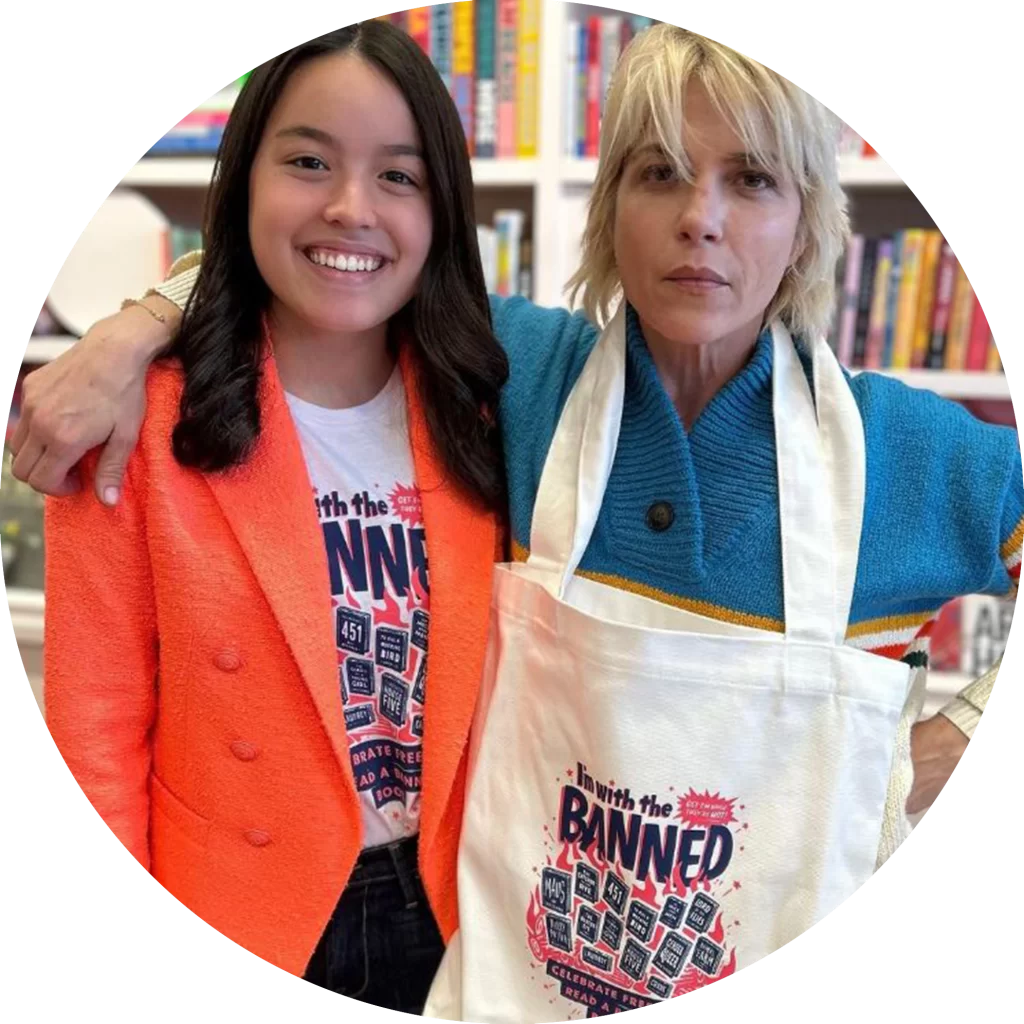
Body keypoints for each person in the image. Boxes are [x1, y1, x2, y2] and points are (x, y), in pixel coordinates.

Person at [16, 23, 1017, 1016]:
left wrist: (937, 746)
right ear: (607, 210)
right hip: (502, 959)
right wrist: (131, 330)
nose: (699, 219)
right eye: (659, 172)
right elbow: (332, 260)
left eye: (751, 180)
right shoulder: (520, 376)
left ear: (806, 222)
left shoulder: (905, 452)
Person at [33, 21, 510, 1015]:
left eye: (399, 176)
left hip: (458, 905)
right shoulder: (137, 417)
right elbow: (95, 738)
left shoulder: (492, 398)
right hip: (236, 902)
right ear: (243, 178)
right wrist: (140, 328)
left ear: (443, 209)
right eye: (306, 161)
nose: (349, 209)